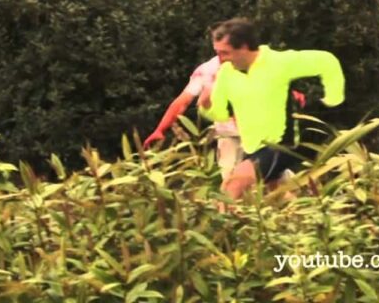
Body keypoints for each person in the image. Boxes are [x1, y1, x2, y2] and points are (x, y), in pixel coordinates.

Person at [199, 18, 345, 206]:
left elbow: (327, 61)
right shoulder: (226, 73)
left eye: (225, 53)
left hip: (281, 144)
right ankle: (316, 220)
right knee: (277, 199)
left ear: (244, 47)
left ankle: (222, 233)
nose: (220, 59)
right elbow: (219, 115)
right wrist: (205, 104)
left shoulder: (278, 62)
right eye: (217, 53)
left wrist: (333, 98)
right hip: (251, 146)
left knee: (231, 187)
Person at [143, 54, 306, 180]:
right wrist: (160, 129)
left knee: (274, 180)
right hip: (228, 136)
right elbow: (182, 102)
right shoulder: (206, 70)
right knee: (230, 183)